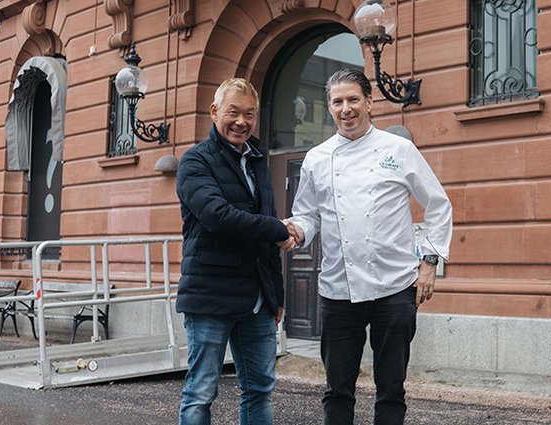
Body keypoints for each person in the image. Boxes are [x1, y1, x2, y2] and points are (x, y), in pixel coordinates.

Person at [284, 68, 453, 425]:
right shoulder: (316, 158)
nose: (346, 108)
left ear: (370, 102)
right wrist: (297, 230)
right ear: (329, 107)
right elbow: (307, 215)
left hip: (394, 288)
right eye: (337, 101)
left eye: (353, 99)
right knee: (337, 389)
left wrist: (429, 261)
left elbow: (438, 203)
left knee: (391, 388)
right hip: (337, 291)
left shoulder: (399, 149)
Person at [175, 78, 294, 425]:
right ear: (214, 112)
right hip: (211, 296)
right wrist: (280, 230)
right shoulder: (195, 161)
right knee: (201, 392)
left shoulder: (257, 161)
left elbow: (265, 228)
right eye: (233, 112)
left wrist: (277, 294)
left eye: (250, 114)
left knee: (259, 390)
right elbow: (218, 217)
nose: (242, 121)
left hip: (257, 301)